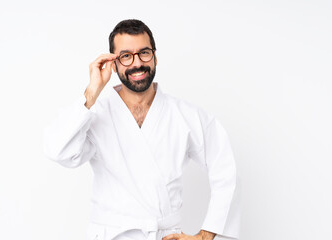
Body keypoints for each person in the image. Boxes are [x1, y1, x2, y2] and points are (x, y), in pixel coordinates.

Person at [43, 19, 240, 240]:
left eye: (144, 53)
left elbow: (225, 169)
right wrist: (91, 92)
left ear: (155, 57)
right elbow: (57, 151)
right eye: (126, 56)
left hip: (164, 235)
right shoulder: (94, 113)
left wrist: (206, 235)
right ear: (113, 64)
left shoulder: (185, 115)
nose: (137, 63)